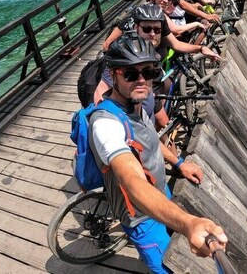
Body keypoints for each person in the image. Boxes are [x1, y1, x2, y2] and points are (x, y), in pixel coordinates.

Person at [89, 36, 227, 273]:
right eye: (131, 74)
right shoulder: (105, 124)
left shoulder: (136, 102)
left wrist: (179, 162)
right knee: (165, 268)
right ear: (113, 75)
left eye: (150, 71)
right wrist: (188, 222)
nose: (142, 80)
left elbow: (150, 140)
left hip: (160, 192)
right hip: (142, 218)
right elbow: (131, 181)